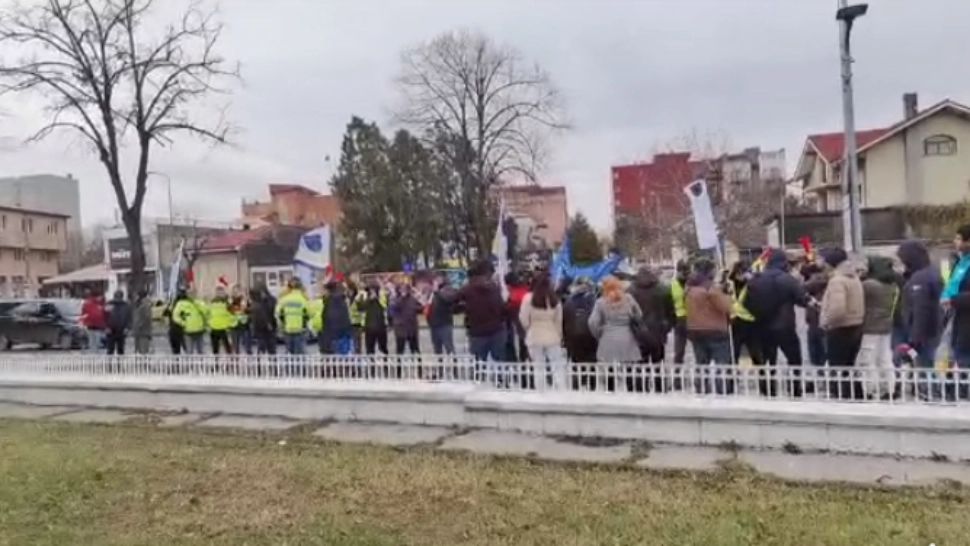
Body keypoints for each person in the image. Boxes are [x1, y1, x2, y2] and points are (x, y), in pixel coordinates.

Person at [745, 249, 808, 396]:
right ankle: (794, 389)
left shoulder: (755, 280)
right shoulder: (788, 279)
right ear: (783, 262)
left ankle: (768, 390)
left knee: (767, 361)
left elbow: (747, 302)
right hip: (785, 327)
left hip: (762, 326)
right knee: (794, 360)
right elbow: (802, 300)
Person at [897, 240, 943, 400]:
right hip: (934, 330)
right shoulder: (932, 272)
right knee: (928, 366)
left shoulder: (920, 279)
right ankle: (933, 395)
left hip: (924, 334)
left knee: (925, 368)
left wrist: (914, 338)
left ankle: (931, 397)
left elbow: (920, 309)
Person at [819, 248, 865, 399]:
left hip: (839, 328)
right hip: (855, 325)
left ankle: (840, 397)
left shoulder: (837, 281)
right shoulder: (854, 277)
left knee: (837, 367)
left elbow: (838, 309)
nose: (822, 264)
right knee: (849, 366)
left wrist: (826, 321)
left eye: (824, 261)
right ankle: (855, 396)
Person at [684, 259, 734, 394]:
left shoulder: (689, 288)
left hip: (695, 330)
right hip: (715, 331)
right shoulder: (711, 289)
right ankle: (721, 390)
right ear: (709, 271)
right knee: (721, 364)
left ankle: (701, 390)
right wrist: (727, 295)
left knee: (701, 364)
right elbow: (727, 307)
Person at [859, 256, 897, 399]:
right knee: (885, 359)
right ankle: (890, 388)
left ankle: (870, 389)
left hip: (870, 327)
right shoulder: (892, 285)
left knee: (868, 360)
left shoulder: (869, 285)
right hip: (886, 327)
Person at [519, 273, 565, 390]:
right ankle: (560, 389)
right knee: (556, 365)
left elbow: (523, 318)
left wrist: (528, 328)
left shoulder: (528, 298)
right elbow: (558, 321)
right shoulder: (554, 299)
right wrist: (559, 336)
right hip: (552, 335)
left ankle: (540, 390)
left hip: (535, 335)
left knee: (538, 366)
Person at [457, 260, 507, 362]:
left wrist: (466, 309)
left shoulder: (466, 289)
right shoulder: (494, 288)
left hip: (476, 331)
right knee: (499, 362)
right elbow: (501, 307)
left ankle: (480, 377)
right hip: (496, 329)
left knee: (478, 365)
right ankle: (500, 378)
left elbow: (454, 305)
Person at [588, 276, 642, 368]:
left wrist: (599, 333)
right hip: (627, 338)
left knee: (604, 371)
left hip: (607, 339)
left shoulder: (601, 302)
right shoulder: (628, 299)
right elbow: (639, 315)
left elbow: (592, 322)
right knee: (626, 371)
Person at [628, 267, 675, 365]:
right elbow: (671, 311)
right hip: (658, 331)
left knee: (640, 364)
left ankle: (641, 380)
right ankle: (658, 379)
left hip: (638, 332)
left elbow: (627, 313)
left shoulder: (630, 291)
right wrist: (668, 327)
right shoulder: (663, 289)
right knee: (658, 362)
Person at [727, 260, 763, 367]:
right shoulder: (730, 284)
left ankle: (763, 381)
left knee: (756, 355)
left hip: (751, 322)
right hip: (735, 322)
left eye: (744, 272)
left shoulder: (752, 284)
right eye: (739, 272)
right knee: (734, 355)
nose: (741, 275)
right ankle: (732, 381)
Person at [944, 224, 970, 370]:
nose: (955, 241)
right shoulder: (960, 262)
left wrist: (953, 300)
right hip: (957, 317)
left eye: (959, 238)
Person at [563, 278, 598, 366]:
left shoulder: (569, 301)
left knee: (577, 362)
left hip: (573, 335)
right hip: (589, 335)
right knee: (591, 362)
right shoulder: (593, 300)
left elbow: (564, 319)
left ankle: (578, 378)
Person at [801, 262, 829, 367]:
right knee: (819, 352)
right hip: (816, 320)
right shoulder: (824, 280)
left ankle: (820, 377)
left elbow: (802, 288)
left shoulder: (817, 280)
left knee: (817, 352)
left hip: (818, 320)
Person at [276, 278, 310, 355]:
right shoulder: (303, 298)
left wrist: (283, 323)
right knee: (299, 353)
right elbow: (309, 313)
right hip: (300, 329)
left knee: (289, 353)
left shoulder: (284, 298)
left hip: (287, 329)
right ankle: (299, 367)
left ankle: (289, 366)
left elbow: (278, 313)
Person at [320, 282, 353, 355]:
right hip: (344, 333)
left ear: (328, 291)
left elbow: (327, 317)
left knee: (335, 359)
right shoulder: (342, 299)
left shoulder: (329, 302)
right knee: (345, 357)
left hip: (333, 335)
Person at [390, 283, 422, 355]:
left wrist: (420, 301)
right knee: (400, 350)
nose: (403, 291)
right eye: (402, 289)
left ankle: (418, 365)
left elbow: (420, 308)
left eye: (405, 289)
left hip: (412, 329)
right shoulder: (396, 299)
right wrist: (402, 297)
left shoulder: (413, 299)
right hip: (401, 329)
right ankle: (399, 365)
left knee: (415, 349)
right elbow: (393, 309)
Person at [428, 275, 457, 355]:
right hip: (434, 325)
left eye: (438, 279)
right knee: (437, 349)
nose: (435, 281)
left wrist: (437, 292)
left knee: (449, 347)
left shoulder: (448, 289)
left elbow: (448, 300)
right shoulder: (433, 292)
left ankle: (454, 366)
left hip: (444, 324)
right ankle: (440, 366)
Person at [505, 272, 531, 362]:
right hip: (530, 327)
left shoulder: (513, 296)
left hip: (519, 327)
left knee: (522, 347)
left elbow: (508, 312)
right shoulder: (526, 291)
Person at [172, 289, 207, 354]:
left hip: (200, 330)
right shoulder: (181, 304)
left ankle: (202, 364)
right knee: (189, 352)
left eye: (193, 293)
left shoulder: (200, 302)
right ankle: (189, 364)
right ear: (187, 294)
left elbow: (206, 312)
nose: (191, 295)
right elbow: (175, 316)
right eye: (190, 293)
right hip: (188, 331)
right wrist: (183, 323)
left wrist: (197, 304)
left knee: (201, 351)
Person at [361, 282, 389, 355]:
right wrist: (369, 299)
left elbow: (385, 306)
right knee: (370, 349)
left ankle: (385, 365)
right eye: (370, 290)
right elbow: (362, 307)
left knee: (383, 348)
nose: (371, 291)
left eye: (373, 290)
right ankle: (371, 366)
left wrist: (378, 298)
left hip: (381, 327)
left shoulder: (382, 297)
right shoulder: (365, 297)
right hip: (369, 328)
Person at [248, 285, 277, 355]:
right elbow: (255, 314)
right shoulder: (255, 301)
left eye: (262, 292)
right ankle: (260, 363)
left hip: (270, 326)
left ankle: (272, 364)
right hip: (259, 327)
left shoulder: (272, 300)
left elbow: (273, 312)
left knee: (271, 347)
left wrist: (271, 323)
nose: (261, 294)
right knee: (261, 346)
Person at [670, 260, 690, 363]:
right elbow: (669, 303)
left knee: (698, 347)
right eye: (683, 272)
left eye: (687, 272)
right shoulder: (673, 284)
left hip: (692, 318)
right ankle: (678, 372)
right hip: (679, 319)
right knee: (679, 349)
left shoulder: (692, 283)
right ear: (678, 271)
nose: (685, 274)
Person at [207, 286, 236, 354]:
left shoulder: (227, 303)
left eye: (221, 293)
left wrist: (231, 324)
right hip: (215, 328)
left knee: (228, 348)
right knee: (216, 349)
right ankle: (216, 363)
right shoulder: (212, 302)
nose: (219, 294)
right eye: (218, 293)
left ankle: (230, 363)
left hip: (224, 329)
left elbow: (232, 314)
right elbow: (208, 314)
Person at [104, 290, 132, 356]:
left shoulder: (126, 305)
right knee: (110, 350)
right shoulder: (109, 304)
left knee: (121, 350)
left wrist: (127, 328)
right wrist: (106, 327)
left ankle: (119, 365)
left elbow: (129, 317)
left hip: (122, 330)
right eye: (117, 296)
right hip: (111, 330)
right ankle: (109, 365)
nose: (118, 298)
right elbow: (105, 316)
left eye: (119, 297)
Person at [229, 285, 251, 355]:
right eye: (235, 291)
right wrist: (239, 309)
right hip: (234, 325)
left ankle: (249, 363)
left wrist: (245, 310)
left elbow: (250, 310)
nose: (237, 292)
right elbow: (229, 310)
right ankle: (236, 364)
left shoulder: (245, 300)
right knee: (235, 348)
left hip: (244, 324)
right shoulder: (230, 300)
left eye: (238, 290)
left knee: (247, 347)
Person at [131, 289, 154, 355]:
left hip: (143, 332)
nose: (135, 297)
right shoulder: (137, 304)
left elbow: (147, 317)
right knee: (138, 351)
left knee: (143, 351)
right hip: (138, 332)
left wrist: (140, 325)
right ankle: (140, 364)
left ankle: (144, 365)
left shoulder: (145, 305)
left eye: (136, 295)